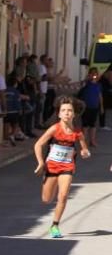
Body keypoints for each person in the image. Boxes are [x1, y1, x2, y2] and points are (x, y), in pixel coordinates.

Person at [33, 96, 90, 239]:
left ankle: (55, 225)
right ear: (59, 114)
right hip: (51, 166)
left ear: (74, 114)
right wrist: (40, 162)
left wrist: (85, 152)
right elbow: (38, 145)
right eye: (63, 110)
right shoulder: (54, 129)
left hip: (67, 166)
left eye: (69, 110)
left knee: (63, 195)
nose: (66, 113)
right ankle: (48, 185)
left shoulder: (78, 133)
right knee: (46, 199)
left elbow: (85, 149)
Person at [78, 67, 103, 148]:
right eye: (92, 73)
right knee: (85, 125)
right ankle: (84, 142)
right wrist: (87, 79)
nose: (94, 75)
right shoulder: (86, 83)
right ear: (89, 74)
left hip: (94, 107)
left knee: (93, 125)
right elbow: (81, 85)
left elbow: (100, 96)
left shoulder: (98, 85)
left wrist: (101, 106)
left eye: (95, 73)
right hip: (86, 107)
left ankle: (92, 141)